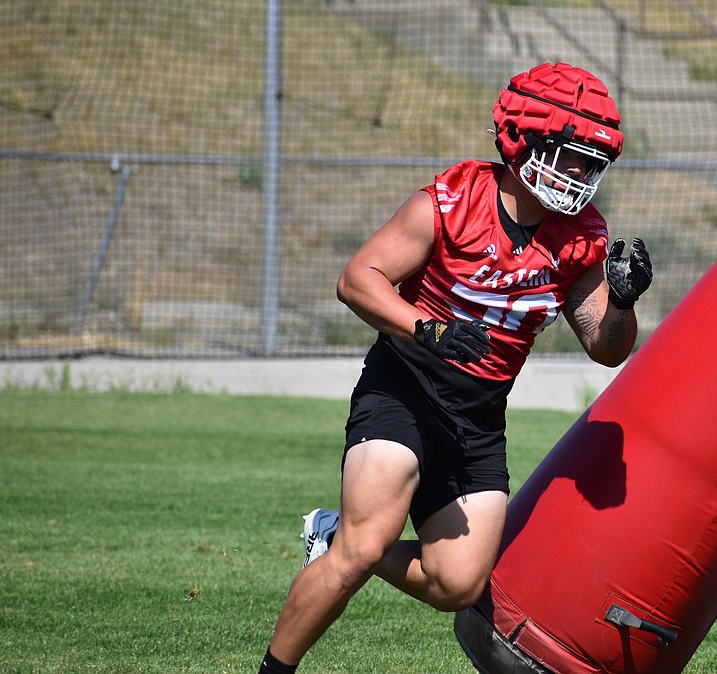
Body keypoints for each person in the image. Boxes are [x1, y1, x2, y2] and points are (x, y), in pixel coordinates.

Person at [257, 62, 653, 674]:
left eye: (589, 161)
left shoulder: (581, 237)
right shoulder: (451, 200)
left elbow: (606, 347)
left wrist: (623, 303)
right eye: (568, 155)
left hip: (478, 416)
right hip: (406, 389)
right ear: (524, 140)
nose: (578, 174)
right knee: (364, 550)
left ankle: (330, 534)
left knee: (457, 584)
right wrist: (428, 330)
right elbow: (357, 279)